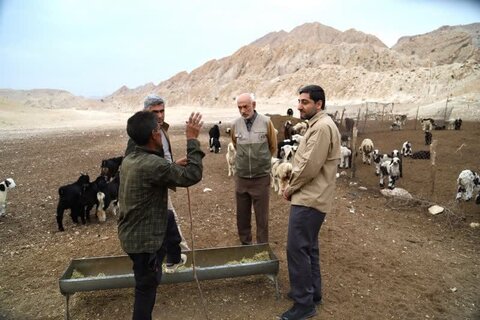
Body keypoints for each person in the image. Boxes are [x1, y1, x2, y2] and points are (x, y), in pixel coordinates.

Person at [118, 110, 204, 320]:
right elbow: (193, 175)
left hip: (132, 236)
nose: (161, 132)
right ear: (154, 135)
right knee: (145, 289)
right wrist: (192, 139)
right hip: (144, 243)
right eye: (158, 128)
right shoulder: (153, 164)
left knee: (146, 282)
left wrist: (172, 166)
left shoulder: (130, 159)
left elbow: (154, 173)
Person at [280, 85, 341, 320]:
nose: (299, 106)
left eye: (304, 102)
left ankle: (304, 304)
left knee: (297, 249)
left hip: (309, 199)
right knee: (309, 247)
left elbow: (309, 167)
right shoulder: (318, 125)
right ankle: (312, 293)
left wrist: (290, 188)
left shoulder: (322, 128)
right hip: (314, 197)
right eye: (299, 101)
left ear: (319, 104)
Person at [125, 94, 190, 253]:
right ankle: (181, 254)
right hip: (150, 188)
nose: (160, 115)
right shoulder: (139, 136)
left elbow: (160, 161)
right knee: (169, 220)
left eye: (162, 111)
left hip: (162, 181)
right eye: (155, 112)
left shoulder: (161, 129)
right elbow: (135, 163)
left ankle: (170, 255)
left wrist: (174, 166)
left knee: (167, 221)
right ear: (146, 112)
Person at [230, 93, 277, 245]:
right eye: (239, 107)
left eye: (246, 106)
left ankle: (262, 248)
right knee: (242, 216)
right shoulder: (235, 124)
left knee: (262, 217)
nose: (243, 110)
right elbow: (235, 145)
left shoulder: (266, 122)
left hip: (260, 178)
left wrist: (261, 163)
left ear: (254, 105)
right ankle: (246, 246)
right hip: (242, 177)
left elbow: (272, 146)